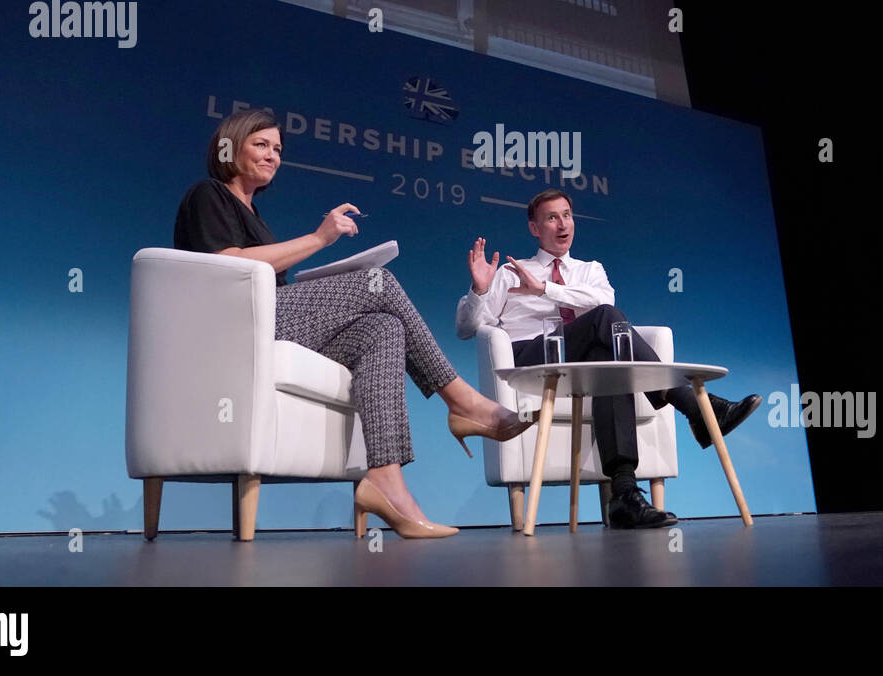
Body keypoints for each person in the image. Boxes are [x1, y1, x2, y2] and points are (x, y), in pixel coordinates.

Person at [173, 108, 536, 539]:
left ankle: (386, 481)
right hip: (235, 323)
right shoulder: (208, 194)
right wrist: (319, 238)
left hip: (271, 319)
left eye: (278, 149)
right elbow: (227, 265)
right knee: (378, 281)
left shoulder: (257, 218)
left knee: (384, 328)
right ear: (229, 147)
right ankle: (461, 401)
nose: (273, 155)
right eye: (262, 144)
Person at [455, 189, 762, 529]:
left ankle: (625, 494)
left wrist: (545, 290)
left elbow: (603, 299)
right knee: (605, 319)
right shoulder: (513, 272)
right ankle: (696, 408)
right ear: (534, 228)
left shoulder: (591, 270)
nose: (563, 224)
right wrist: (478, 290)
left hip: (584, 366)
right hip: (533, 360)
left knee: (610, 360)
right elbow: (467, 329)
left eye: (567, 215)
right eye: (552, 217)